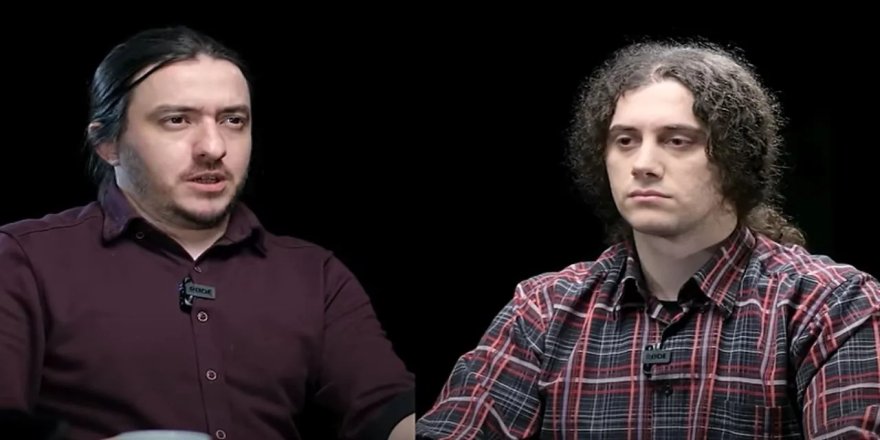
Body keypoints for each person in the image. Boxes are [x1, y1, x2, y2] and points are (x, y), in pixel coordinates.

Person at [416, 39, 880, 438]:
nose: (643, 164)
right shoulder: (544, 309)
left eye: (676, 140)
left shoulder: (828, 305)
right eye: (625, 140)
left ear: (736, 158)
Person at [0, 26, 415, 440]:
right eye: (177, 120)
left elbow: (388, 412)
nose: (214, 147)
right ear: (107, 144)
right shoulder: (24, 260)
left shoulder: (316, 275)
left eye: (233, 120)